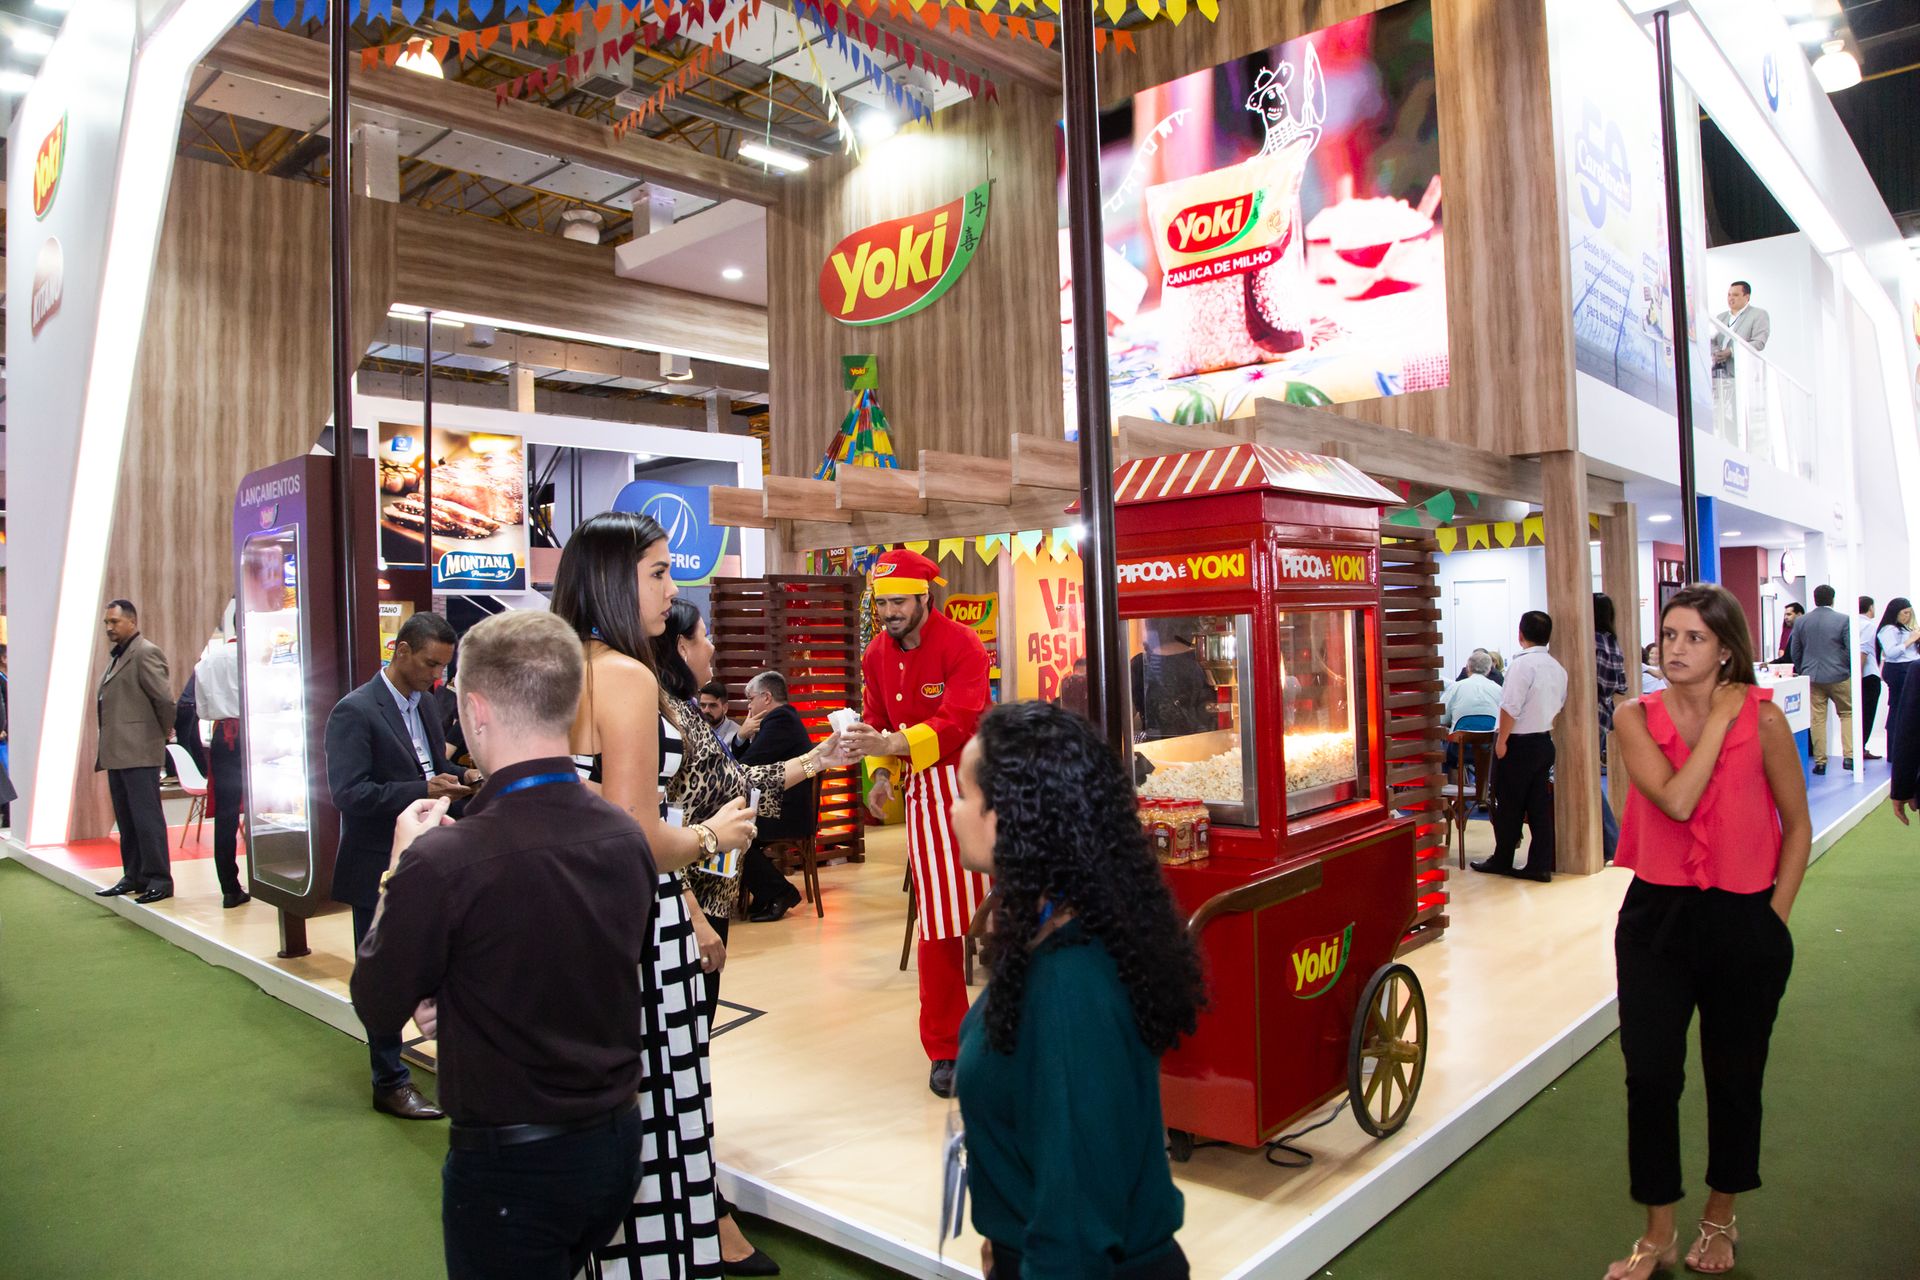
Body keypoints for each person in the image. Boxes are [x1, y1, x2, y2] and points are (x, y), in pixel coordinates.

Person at [557, 511, 846, 1278]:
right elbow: (639, 836)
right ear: (615, 580)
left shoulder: (567, 668)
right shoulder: (623, 676)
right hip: (640, 925)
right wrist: (713, 837)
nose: (671, 589)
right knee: (660, 1106)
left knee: (631, 1111)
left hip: (595, 921)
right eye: (657, 573)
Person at [350, 610, 656, 1280]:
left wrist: (397, 872)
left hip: (513, 1167)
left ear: (476, 709)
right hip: (615, 1144)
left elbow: (376, 1002)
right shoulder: (623, 836)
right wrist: (459, 997)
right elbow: (573, 963)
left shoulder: (446, 860)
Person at [953, 701, 1201, 1279]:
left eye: (965, 794)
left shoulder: (1070, 989)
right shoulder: (1059, 929)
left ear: (1009, 815)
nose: (953, 809)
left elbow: (1076, 1232)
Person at [1605, 584, 1808, 1279]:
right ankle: (1657, 1231)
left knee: (1735, 1077)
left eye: (1694, 637)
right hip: (1655, 920)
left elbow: (1796, 823)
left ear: (1727, 650)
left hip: (1743, 918)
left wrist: (1771, 920)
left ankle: (1720, 1218)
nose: (1675, 648)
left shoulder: (1768, 720)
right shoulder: (1633, 716)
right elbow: (1677, 799)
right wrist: (1719, 723)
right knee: (1652, 1077)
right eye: (1668, 634)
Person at [839, 547, 993, 1100]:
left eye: (899, 602)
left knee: (1003, 915)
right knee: (940, 923)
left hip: (979, 785)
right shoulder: (876, 652)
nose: (889, 614)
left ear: (925, 596)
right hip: (925, 795)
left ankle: (1016, 1031)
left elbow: (960, 719)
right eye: (882, 604)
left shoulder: (964, 644)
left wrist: (894, 743)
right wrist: (880, 775)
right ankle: (945, 1047)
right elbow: (877, 719)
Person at [324, 610, 479, 1121]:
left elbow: (430, 768)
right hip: (376, 863)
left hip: (435, 856)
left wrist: (464, 775)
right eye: (430, 665)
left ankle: (444, 1062)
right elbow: (350, 794)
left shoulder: (429, 703)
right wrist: (424, 789)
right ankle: (388, 1081)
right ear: (402, 651)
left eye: (443, 667)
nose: (437, 677)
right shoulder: (355, 711)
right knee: (386, 972)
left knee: (442, 961)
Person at [1471, 611, 1568, 882]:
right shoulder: (1556, 667)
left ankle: (1502, 859)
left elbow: (1509, 707)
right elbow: (1559, 705)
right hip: (1543, 741)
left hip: (1519, 743)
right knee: (1538, 805)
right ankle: (1540, 864)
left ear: (1520, 634)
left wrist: (1502, 742)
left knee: (1509, 804)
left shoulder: (1521, 666)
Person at [93, 600, 178, 904]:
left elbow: (165, 701)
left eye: (114, 622)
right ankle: (135, 875)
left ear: (131, 621)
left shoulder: (145, 652)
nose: (109, 628)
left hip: (140, 750)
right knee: (127, 819)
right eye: (106, 622)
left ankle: (159, 878)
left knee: (146, 818)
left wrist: (163, 733)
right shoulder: (118, 657)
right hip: (118, 752)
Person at [732, 669, 816, 923]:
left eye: (750, 699)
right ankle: (767, 893)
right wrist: (742, 736)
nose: (749, 706)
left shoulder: (780, 720)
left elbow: (744, 766)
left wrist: (741, 735)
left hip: (785, 810)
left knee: (731, 836)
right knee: (734, 833)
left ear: (766, 698)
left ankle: (781, 892)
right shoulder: (780, 719)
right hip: (778, 805)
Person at [192, 601, 250, 907]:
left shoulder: (209, 661)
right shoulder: (257, 657)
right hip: (255, 735)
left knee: (226, 814)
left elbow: (200, 708)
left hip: (221, 736)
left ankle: (229, 886)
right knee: (267, 808)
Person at [1788, 584, 1854, 774]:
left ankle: (1820, 762)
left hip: (1812, 677)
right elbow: (1849, 650)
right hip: (1839, 675)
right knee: (1847, 713)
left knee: (1817, 719)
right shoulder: (1843, 620)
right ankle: (1849, 757)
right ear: (1833, 598)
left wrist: (1803, 670)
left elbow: (1796, 650)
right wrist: (1847, 669)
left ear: (1814, 598)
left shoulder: (1802, 622)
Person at [1129, 619, 1216, 739]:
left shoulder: (1138, 665)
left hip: (1154, 750)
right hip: (1205, 747)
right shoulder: (1205, 661)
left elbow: (1122, 718)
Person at [1596, 594, 1630, 859]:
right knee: (1592, 781)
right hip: (1605, 716)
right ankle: (1611, 841)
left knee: (1585, 782)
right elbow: (1622, 686)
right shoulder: (1613, 643)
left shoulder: (1591, 643)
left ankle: (1612, 842)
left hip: (1587, 715)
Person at [1875, 598, 1917, 754]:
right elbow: (1891, 652)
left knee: (1905, 708)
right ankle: (1894, 750)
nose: (1907, 616)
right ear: (1896, 613)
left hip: (1908, 668)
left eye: (1909, 613)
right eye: (1905, 613)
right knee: (1898, 708)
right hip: (1899, 670)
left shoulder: (1904, 628)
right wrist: (1911, 640)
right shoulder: (1888, 630)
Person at [1711, 280, 1771, 371]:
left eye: (1735, 295)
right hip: (1718, 372)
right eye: (1729, 295)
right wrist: (1716, 352)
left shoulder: (1758, 314)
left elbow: (1759, 343)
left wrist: (1732, 351)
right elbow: (1712, 341)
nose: (1730, 298)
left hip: (1742, 373)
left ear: (1747, 297)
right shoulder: (1720, 317)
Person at [1443, 651, 1503, 730]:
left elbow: (1442, 718)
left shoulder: (1455, 687)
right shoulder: (1499, 690)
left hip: (1460, 740)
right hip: (1489, 740)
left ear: (1468, 668)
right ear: (1489, 669)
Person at [1858, 596, 1882, 760]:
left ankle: (1858, 748)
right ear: (1870, 608)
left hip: (1858, 676)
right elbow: (1864, 651)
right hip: (1868, 675)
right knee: (1867, 713)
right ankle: (1861, 748)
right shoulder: (1868, 626)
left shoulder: (1851, 623)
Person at [697, 680, 740, 748]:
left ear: (725, 708)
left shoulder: (737, 736)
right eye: (703, 705)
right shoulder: (694, 729)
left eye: (713, 705)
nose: (706, 710)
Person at [1057, 656, 1090, 720]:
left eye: (1085, 678)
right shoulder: (1061, 701)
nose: (1081, 681)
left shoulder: (1097, 701)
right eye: (1077, 678)